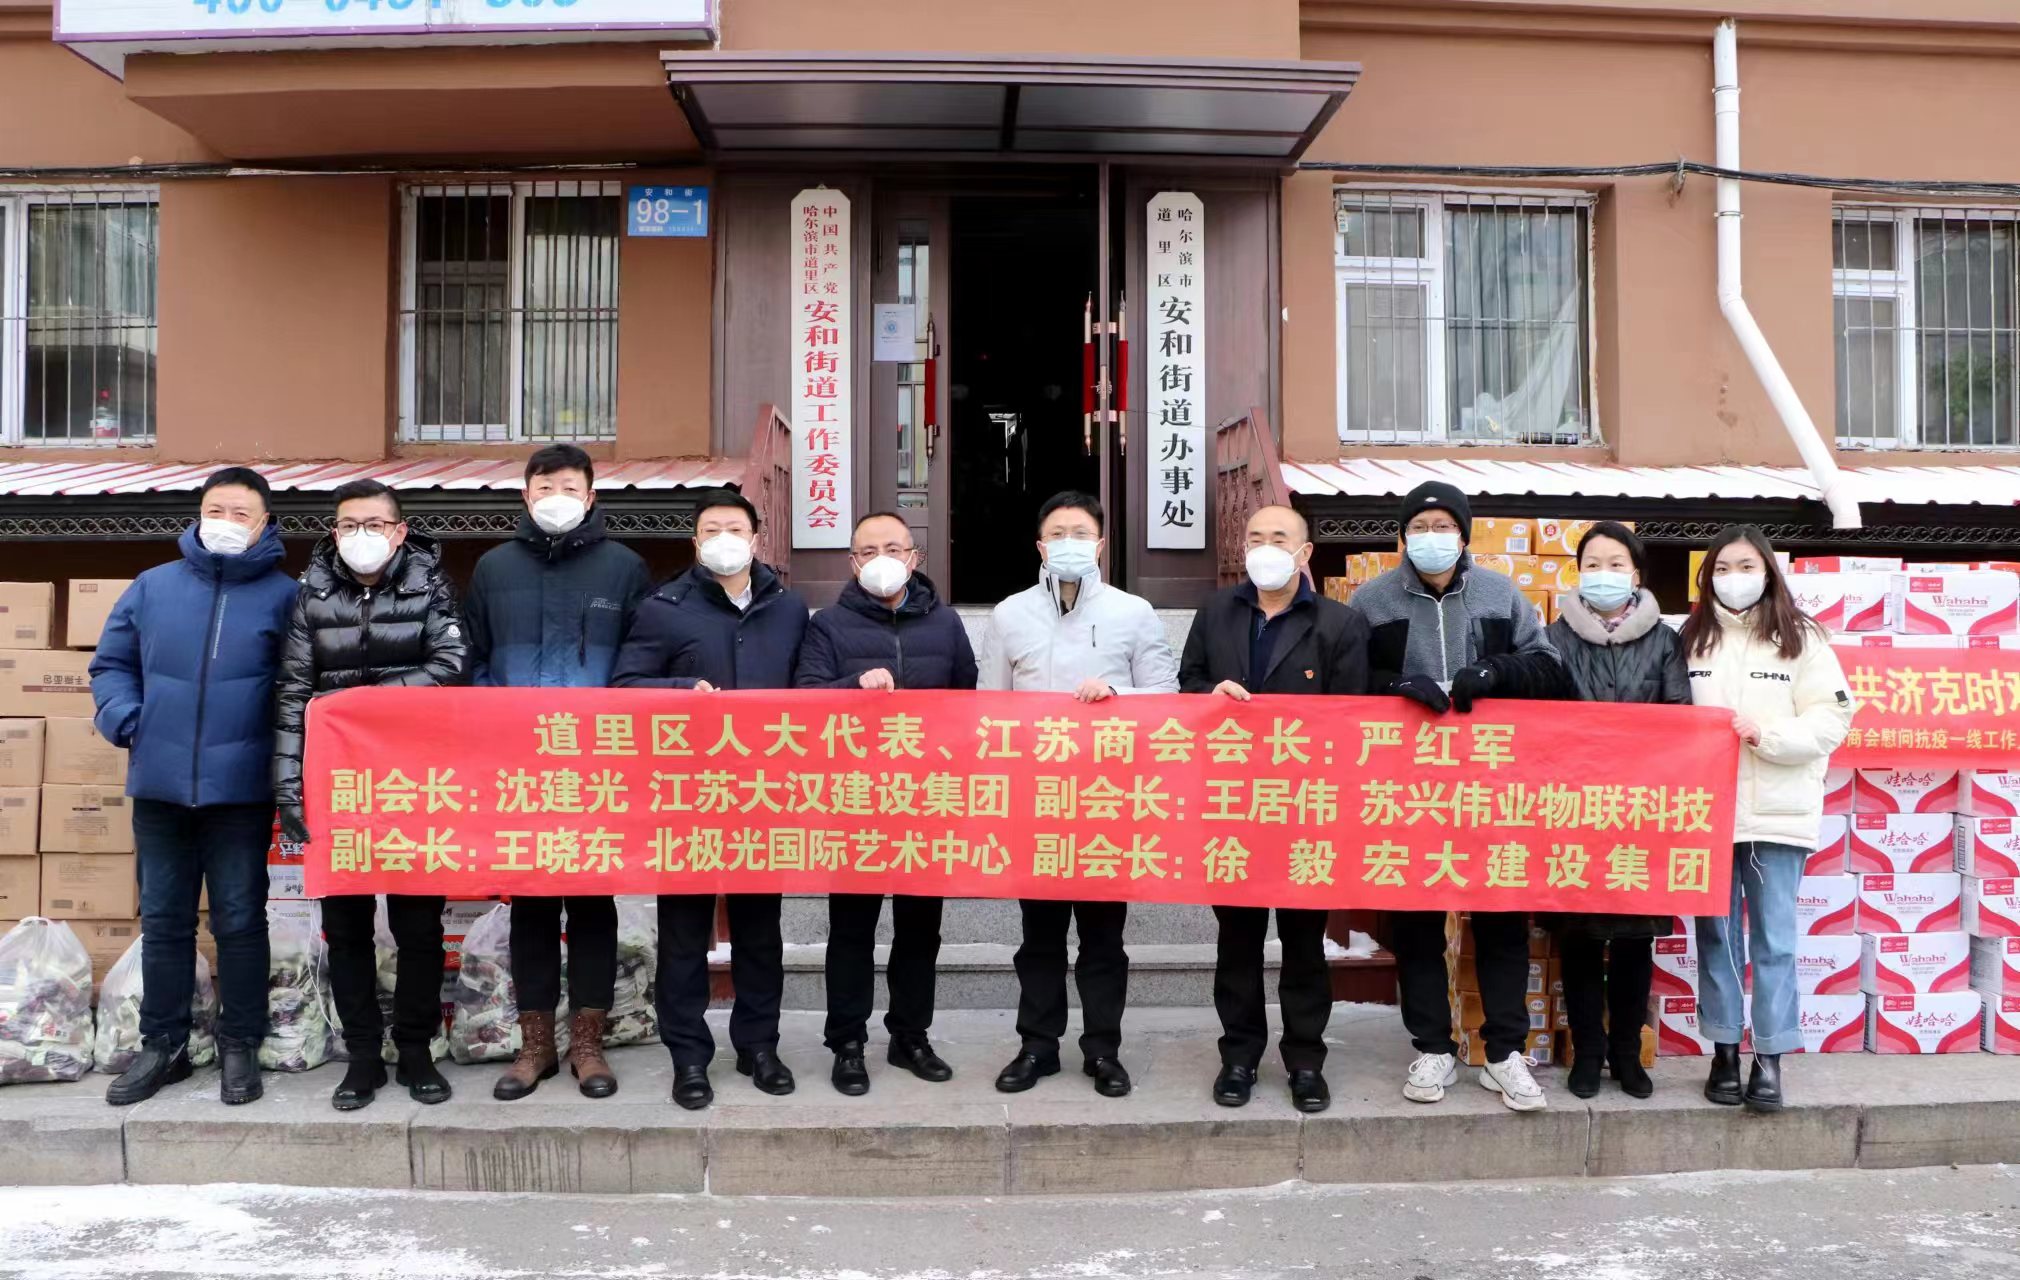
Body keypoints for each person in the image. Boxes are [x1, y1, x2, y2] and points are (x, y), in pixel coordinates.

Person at [1352, 480, 1573, 1113]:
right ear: (1403, 536)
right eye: (1420, 526)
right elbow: (1347, 680)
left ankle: (1503, 1052)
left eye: (1443, 525)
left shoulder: (1501, 594)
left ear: (1463, 533)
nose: (1432, 536)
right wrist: (1397, 685)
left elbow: (1549, 668)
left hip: (1492, 788)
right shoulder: (1372, 602)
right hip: (1409, 788)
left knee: (1501, 916)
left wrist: (1494, 672)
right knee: (1417, 919)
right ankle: (1432, 1047)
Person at [89, 467, 299, 1107]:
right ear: (198, 514)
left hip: (241, 789)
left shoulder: (285, 597)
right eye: (216, 510)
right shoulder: (154, 586)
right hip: (160, 785)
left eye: (240, 513)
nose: (225, 523)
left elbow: (300, 686)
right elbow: (111, 664)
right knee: (165, 920)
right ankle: (164, 1045)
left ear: (264, 524)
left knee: (240, 920)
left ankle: (240, 1042)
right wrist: (130, 721)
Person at [464, 444, 652, 1102]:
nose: (556, 497)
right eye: (544, 487)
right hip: (520, 764)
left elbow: (640, 661)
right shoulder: (493, 568)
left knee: (594, 905)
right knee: (533, 906)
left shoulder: (624, 568)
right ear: (525, 495)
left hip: (598, 764)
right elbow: (474, 657)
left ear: (592, 496)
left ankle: (588, 1044)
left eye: (569, 486)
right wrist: (500, 718)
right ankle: (536, 1045)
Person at [611, 490, 809, 1111]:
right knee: (683, 933)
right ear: (696, 543)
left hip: (762, 794)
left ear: (756, 538)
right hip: (687, 795)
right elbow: (626, 685)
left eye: (736, 528)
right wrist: (680, 690)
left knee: (760, 932)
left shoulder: (788, 608)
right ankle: (689, 1056)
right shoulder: (664, 608)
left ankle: (759, 1046)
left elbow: (809, 691)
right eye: (712, 529)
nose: (725, 538)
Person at [273, 479, 467, 1111]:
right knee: (347, 929)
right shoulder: (311, 595)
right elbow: (293, 692)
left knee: (420, 929)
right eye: (349, 525)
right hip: (339, 786)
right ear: (334, 532)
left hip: (415, 783)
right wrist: (289, 788)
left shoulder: (431, 586)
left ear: (399, 531)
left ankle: (414, 1049)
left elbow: (451, 666)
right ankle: (361, 1056)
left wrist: (359, 703)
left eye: (375, 524)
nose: (362, 535)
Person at [978, 491, 1179, 1098]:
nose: (1070, 543)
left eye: (1081, 533)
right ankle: (1037, 1046)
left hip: (1106, 799)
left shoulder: (1133, 612)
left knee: (1103, 938)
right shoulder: (1009, 614)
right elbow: (990, 708)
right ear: (1041, 547)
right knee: (1039, 936)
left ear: (1100, 544)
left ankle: (1103, 1050)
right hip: (1035, 799)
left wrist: (1119, 697)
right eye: (1058, 533)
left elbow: (1167, 700)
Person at [1179, 505, 1368, 1115]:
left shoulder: (1339, 623)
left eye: (1279, 537)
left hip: (1306, 808)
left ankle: (1306, 1062)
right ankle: (1238, 1056)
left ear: (1305, 552)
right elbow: (1187, 685)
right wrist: (1209, 695)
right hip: (1231, 805)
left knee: (1303, 942)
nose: (1265, 546)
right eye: (1255, 536)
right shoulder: (1216, 612)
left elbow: (1353, 720)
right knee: (1237, 940)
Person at [794, 512, 976, 1096]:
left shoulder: (945, 623)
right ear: (853, 562)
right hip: (855, 801)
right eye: (868, 550)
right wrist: (853, 687)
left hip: (926, 801)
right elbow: (804, 701)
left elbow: (969, 703)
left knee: (920, 930)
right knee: (852, 930)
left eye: (893, 548)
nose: (882, 559)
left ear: (913, 557)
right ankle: (847, 1042)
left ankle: (910, 1036)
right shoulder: (828, 626)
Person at [1680, 524, 1853, 1112]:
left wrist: (1768, 736)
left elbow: (1832, 720)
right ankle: (1724, 1051)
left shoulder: (1802, 638)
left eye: (1747, 566)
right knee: (1717, 937)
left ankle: (1770, 1059)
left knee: (1775, 941)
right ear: (1708, 577)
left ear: (1769, 572)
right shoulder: (1691, 638)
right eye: (1723, 568)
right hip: (1706, 816)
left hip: (1778, 815)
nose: (1735, 578)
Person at [1542, 521, 1688, 1100]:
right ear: (1578, 573)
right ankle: (1587, 1052)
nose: (1603, 574)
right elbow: (1538, 724)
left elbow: (1681, 720)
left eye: (1615, 564)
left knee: (1633, 941)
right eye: (1592, 564)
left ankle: (1627, 1052)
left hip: (1642, 812)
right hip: (1574, 810)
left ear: (1636, 573)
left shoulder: (1665, 641)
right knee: (1579, 939)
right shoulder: (1551, 639)